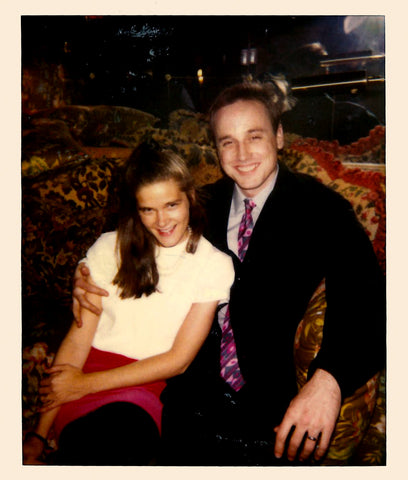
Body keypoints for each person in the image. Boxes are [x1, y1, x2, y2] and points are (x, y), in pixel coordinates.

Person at [72, 80, 386, 465]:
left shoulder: (322, 208)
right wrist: (84, 273)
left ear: (280, 136)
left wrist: (329, 380)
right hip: (185, 403)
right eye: (227, 141)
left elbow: (368, 297)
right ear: (215, 148)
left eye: (254, 136)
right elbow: (131, 229)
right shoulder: (201, 205)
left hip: (270, 415)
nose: (241, 154)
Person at [22, 144, 234, 465]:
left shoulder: (214, 264)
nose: (161, 221)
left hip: (144, 386)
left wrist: (85, 385)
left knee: (126, 433)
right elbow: (78, 340)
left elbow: (178, 361)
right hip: (87, 379)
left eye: (171, 204)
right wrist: (38, 435)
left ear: (190, 196)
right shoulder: (109, 248)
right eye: (147, 209)